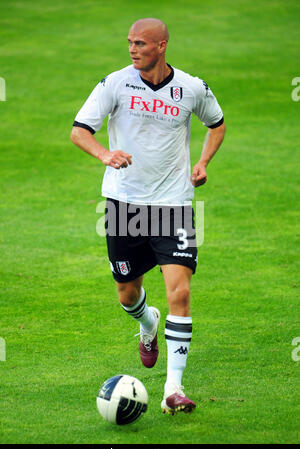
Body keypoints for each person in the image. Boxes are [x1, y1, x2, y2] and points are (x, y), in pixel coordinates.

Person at [70, 18, 226, 415]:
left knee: (181, 292)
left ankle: (173, 388)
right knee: (127, 292)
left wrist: (204, 161)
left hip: (174, 203)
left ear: (162, 46)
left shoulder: (190, 88)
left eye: (140, 43)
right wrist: (105, 154)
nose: (132, 49)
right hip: (124, 204)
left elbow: (217, 124)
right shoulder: (115, 83)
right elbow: (79, 131)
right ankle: (147, 323)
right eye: (129, 43)